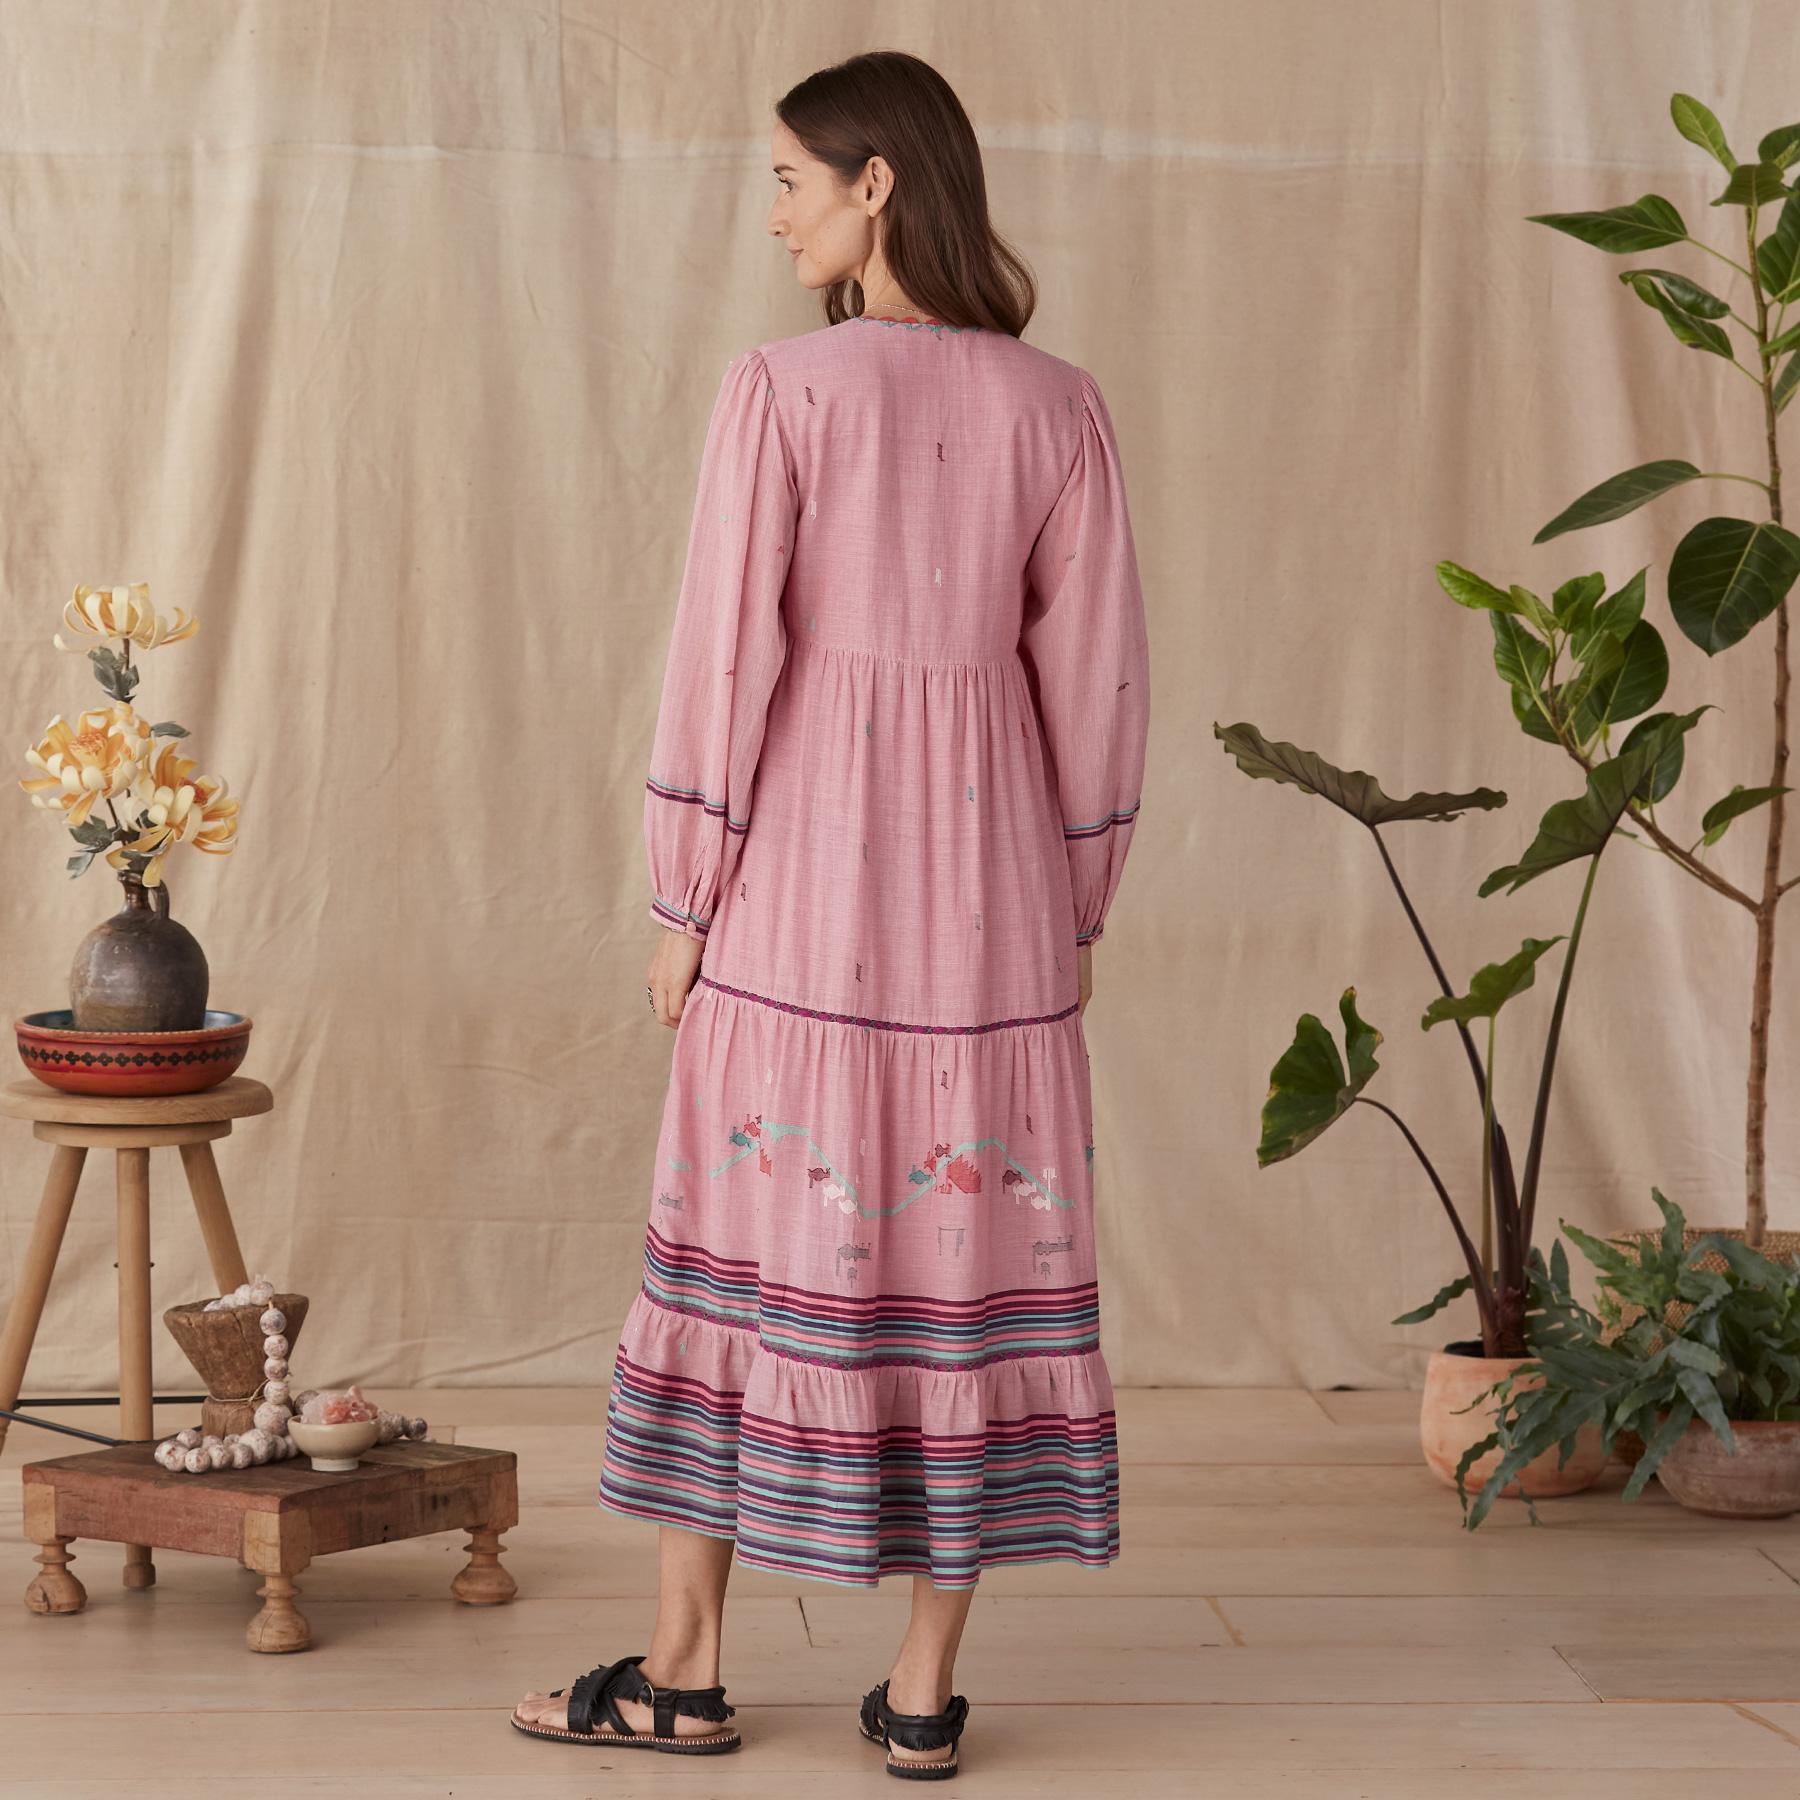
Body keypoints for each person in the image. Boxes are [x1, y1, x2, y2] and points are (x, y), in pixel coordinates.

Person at [511, 49, 1150, 1779]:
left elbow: (726, 658)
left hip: (795, 897)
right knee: (967, 1271)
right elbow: (1097, 689)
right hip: (995, 915)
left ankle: (685, 1671)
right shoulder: (1061, 406)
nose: (775, 214)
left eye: (792, 180)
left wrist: (685, 895)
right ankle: (925, 1696)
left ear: (878, 183)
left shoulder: (782, 391)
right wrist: (1077, 902)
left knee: (735, 1260)